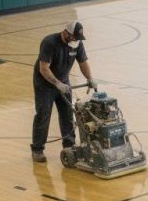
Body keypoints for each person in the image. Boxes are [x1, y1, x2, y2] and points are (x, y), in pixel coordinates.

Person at [30, 21, 98, 163]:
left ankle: (70, 146)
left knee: (67, 114)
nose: (75, 40)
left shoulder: (77, 44)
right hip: (45, 84)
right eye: (73, 37)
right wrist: (57, 84)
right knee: (43, 114)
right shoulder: (49, 43)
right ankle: (37, 149)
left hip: (63, 81)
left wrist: (90, 78)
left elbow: (83, 63)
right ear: (66, 33)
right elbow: (44, 68)